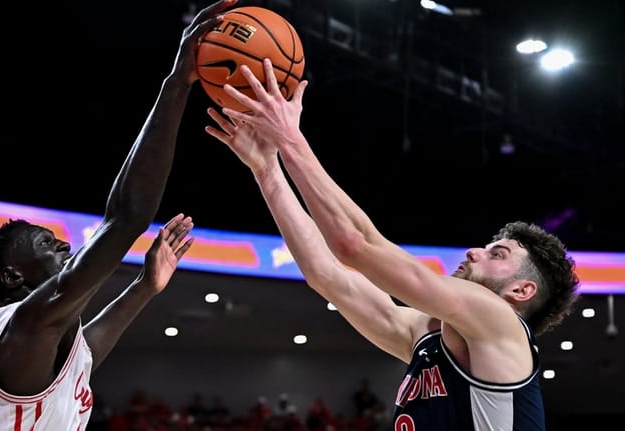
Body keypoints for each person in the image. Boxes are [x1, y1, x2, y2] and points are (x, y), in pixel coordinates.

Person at [205, 58, 580, 430]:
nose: (473, 251)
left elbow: (355, 244)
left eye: (498, 254)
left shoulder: (500, 321)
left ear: (522, 290)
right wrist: (267, 170)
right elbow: (328, 276)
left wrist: (290, 140)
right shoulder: (425, 334)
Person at [0, 1, 238, 429]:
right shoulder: (25, 326)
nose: (66, 246)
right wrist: (177, 84)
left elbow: (83, 352)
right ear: (14, 276)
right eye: (45, 244)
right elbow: (126, 216)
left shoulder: (41, 340)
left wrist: (144, 287)